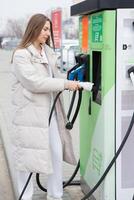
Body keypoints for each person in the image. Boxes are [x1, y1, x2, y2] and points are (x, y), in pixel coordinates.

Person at [11, 13, 93, 200]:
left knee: (55, 154)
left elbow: (54, 79)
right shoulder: (21, 54)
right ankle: (24, 197)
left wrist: (76, 83)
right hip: (29, 116)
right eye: (45, 29)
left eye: (49, 29)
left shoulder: (47, 52)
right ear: (34, 28)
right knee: (26, 160)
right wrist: (64, 84)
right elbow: (35, 83)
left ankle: (55, 195)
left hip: (51, 114)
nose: (48, 33)